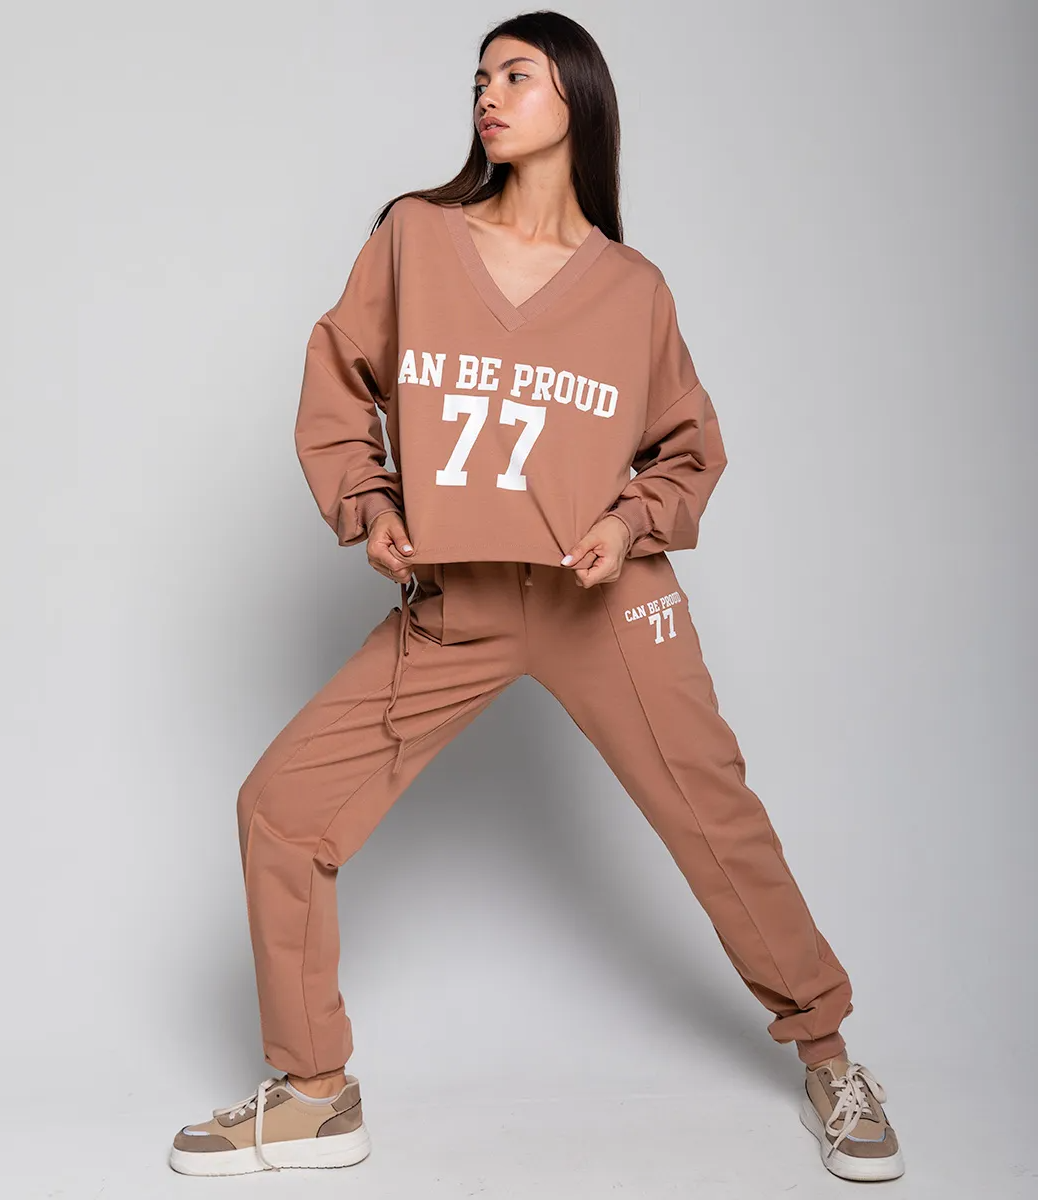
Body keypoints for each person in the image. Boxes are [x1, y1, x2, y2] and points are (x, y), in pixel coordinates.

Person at [168, 11, 904, 1183]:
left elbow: (687, 452)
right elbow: (337, 385)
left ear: (577, 98)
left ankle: (827, 1052)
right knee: (282, 809)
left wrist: (626, 524)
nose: (487, 94)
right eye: (478, 77)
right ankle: (314, 1091)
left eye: (515, 74)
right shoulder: (414, 238)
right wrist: (369, 504)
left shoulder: (631, 290)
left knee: (715, 821)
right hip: (455, 604)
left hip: (604, 606)